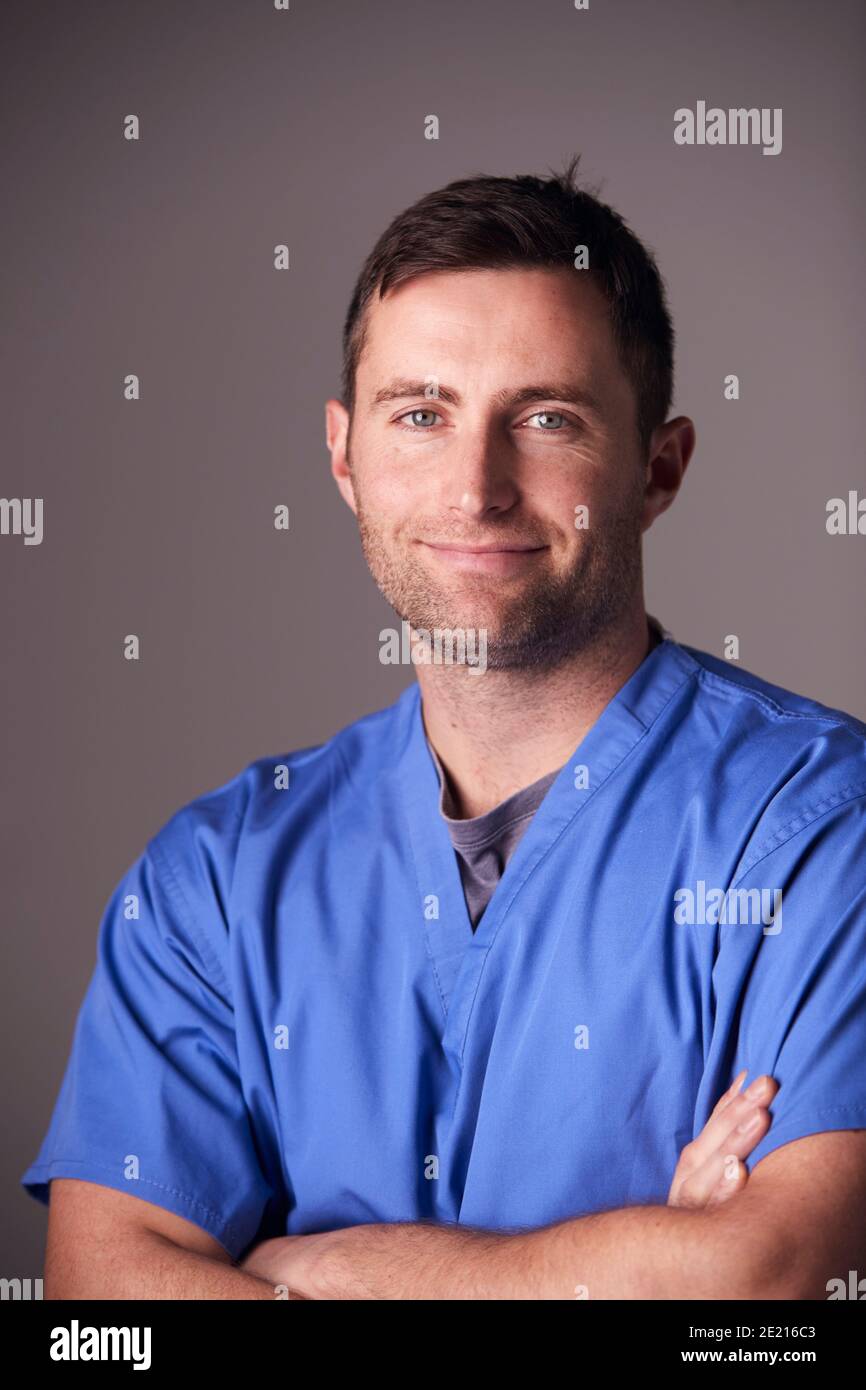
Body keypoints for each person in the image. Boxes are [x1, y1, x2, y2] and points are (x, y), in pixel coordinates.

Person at [23, 158, 866, 1299]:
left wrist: (314, 1270)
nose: (475, 487)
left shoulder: (816, 830)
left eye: (547, 418)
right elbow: (99, 1312)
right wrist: (633, 1267)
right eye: (419, 414)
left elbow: (766, 1289)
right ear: (343, 457)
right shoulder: (214, 879)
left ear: (657, 468)